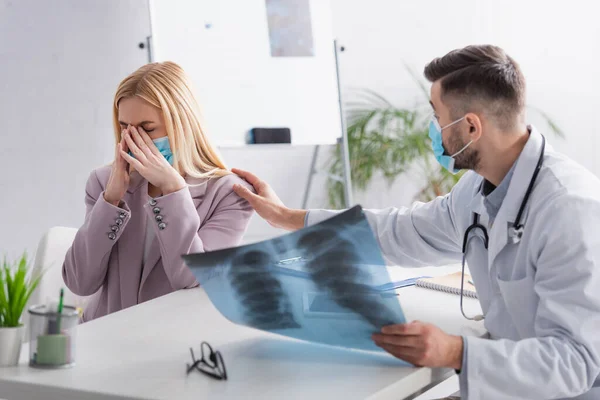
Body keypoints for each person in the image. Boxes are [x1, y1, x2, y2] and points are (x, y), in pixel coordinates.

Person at [231, 45, 600, 399]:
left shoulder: (570, 208)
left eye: (437, 116)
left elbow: (577, 363)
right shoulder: (477, 189)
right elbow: (399, 232)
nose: (434, 128)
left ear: (471, 127)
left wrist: (456, 353)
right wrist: (286, 217)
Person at [63, 61, 254, 321]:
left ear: (183, 123)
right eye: (124, 127)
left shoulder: (230, 193)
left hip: (174, 344)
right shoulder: (103, 181)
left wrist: (173, 190)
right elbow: (79, 282)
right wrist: (110, 200)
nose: (133, 138)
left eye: (147, 128)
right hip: (104, 337)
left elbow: (189, 279)